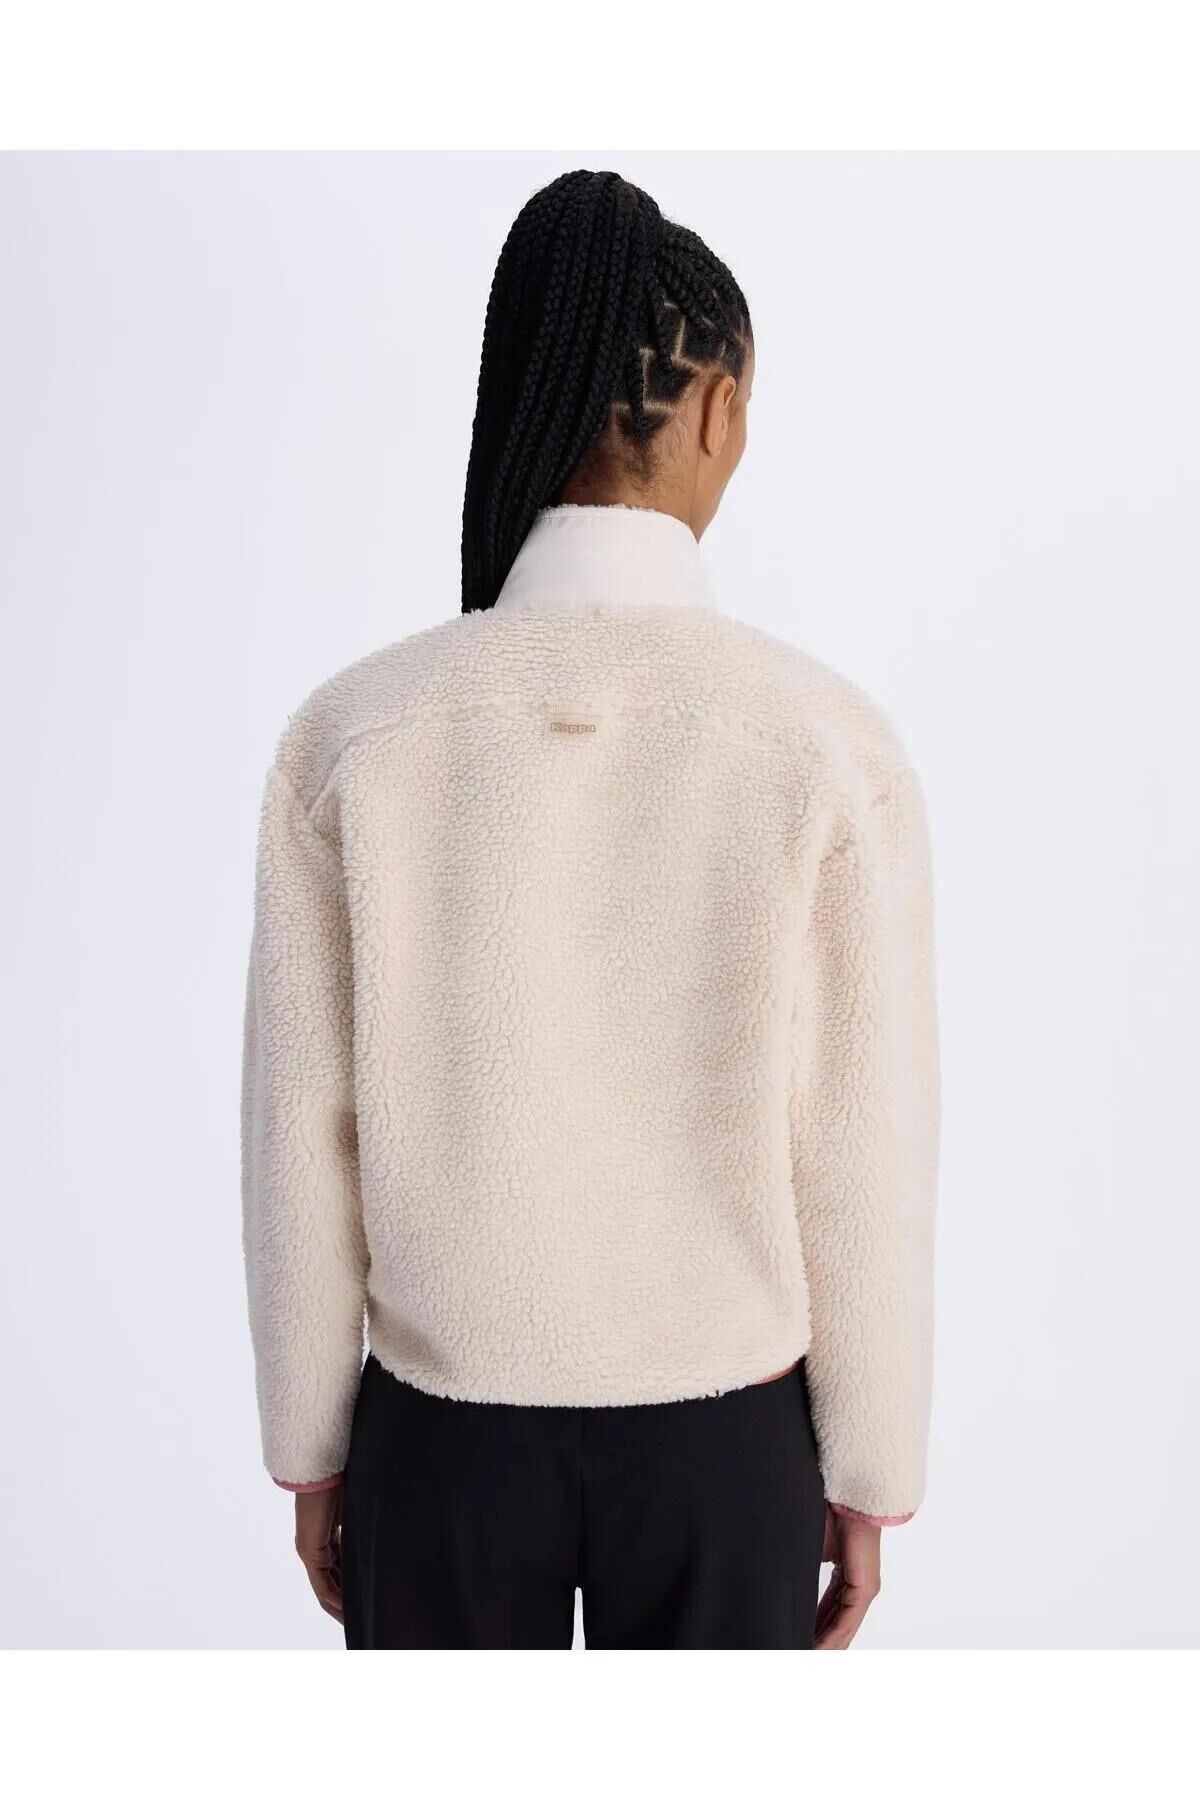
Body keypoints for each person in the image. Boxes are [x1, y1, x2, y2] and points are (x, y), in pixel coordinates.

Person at [240, 168, 940, 1650]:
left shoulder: (355, 734)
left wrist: (310, 1442)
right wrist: (870, 1466)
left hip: (439, 1438)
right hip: (728, 1442)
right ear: (719, 410)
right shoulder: (825, 744)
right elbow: (860, 1137)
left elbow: (301, 1124)